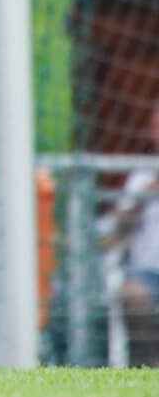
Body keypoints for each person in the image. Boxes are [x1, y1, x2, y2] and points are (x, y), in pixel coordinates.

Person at [107, 104, 159, 366]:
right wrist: (145, 196)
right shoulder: (140, 176)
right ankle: (151, 368)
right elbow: (115, 235)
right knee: (132, 295)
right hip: (148, 273)